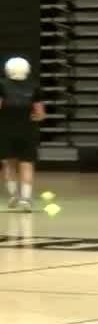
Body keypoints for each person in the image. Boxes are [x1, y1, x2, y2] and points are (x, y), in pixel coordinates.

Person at [0, 56, 44, 212]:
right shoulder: (34, 86)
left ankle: (13, 196)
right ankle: (26, 199)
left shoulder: (2, 85)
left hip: (5, 131)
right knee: (26, 165)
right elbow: (40, 114)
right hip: (27, 131)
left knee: (9, 164)